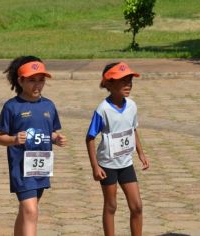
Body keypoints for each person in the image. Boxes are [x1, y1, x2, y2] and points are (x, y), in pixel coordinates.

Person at [0, 56, 66, 236]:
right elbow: (0, 137)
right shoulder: (12, 107)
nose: (37, 85)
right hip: (21, 168)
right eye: (32, 80)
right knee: (31, 211)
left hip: (42, 166)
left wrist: (55, 138)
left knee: (27, 211)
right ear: (20, 81)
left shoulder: (49, 106)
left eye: (41, 80)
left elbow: (47, 132)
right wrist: (13, 140)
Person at [85, 62, 149, 236]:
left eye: (130, 81)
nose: (128, 85)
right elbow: (90, 138)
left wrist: (141, 153)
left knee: (137, 206)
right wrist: (95, 167)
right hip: (107, 165)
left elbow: (133, 129)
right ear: (110, 83)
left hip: (126, 163)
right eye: (123, 81)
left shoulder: (132, 106)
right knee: (111, 205)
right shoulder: (103, 110)